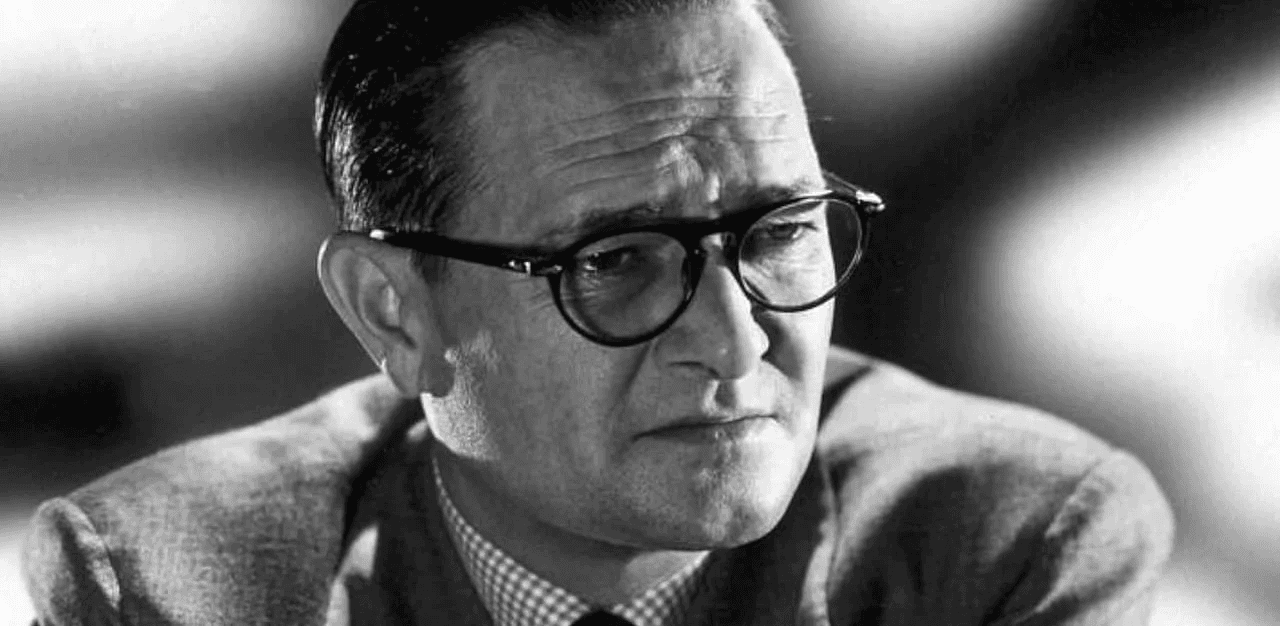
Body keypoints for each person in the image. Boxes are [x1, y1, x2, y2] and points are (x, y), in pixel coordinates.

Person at [21, 0, 1175, 624]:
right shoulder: (167, 580)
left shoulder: (1006, 539)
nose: (734, 339)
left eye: (778, 230)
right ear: (394, 313)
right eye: (616, 260)